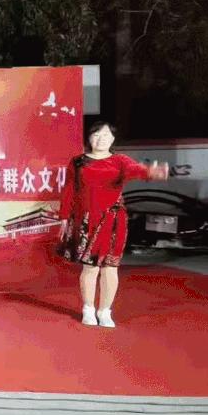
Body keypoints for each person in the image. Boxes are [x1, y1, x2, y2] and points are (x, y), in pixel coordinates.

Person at [57, 121, 169, 329]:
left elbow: (136, 170)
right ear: (89, 137)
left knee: (110, 266)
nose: (101, 139)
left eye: (106, 135)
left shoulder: (120, 161)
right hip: (86, 220)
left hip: (113, 220)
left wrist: (151, 172)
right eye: (96, 135)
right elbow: (69, 190)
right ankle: (88, 309)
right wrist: (64, 217)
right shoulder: (78, 162)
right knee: (90, 266)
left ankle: (105, 311)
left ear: (113, 139)